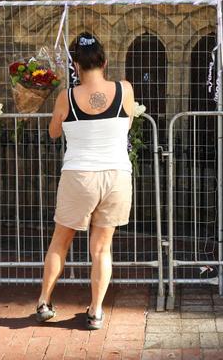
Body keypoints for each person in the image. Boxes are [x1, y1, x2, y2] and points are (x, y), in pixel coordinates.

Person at [35, 31, 135, 330]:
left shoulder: (67, 96)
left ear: (75, 65)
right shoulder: (125, 89)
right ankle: (95, 311)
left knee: (60, 243)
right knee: (102, 249)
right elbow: (127, 123)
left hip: (79, 175)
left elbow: (54, 132)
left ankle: (43, 301)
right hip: (116, 175)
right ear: (103, 61)